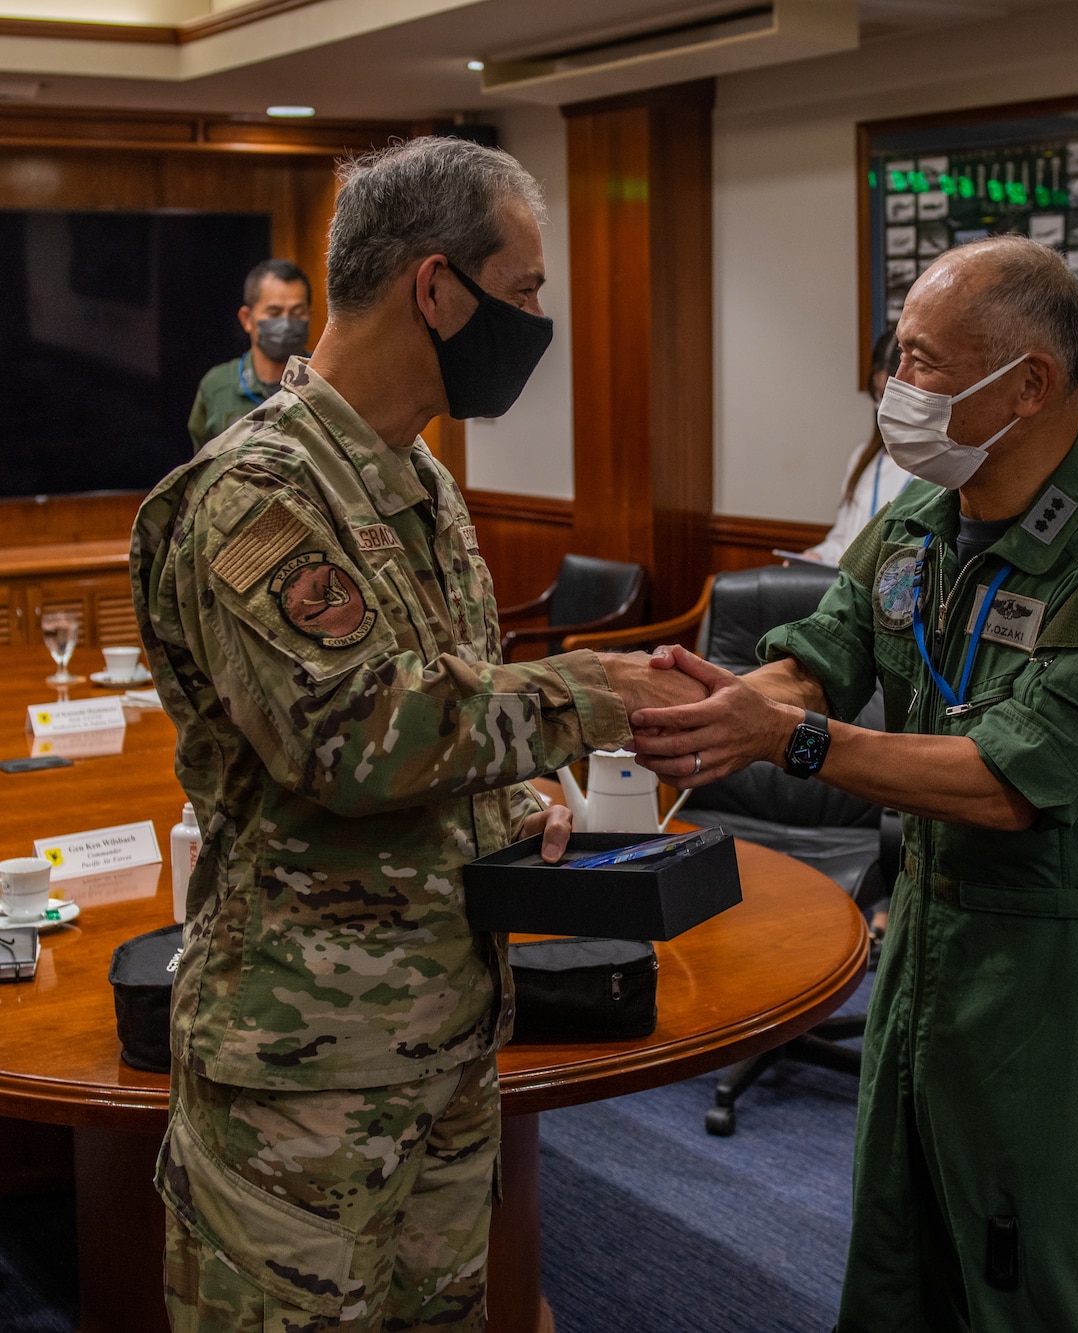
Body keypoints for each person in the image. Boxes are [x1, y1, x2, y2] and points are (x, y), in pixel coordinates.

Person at [131, 137, 702, 1330]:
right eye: (527, 288)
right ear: (436, 288)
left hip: (442, 1030)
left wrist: (515, 801)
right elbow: (351, 740)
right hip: (304, 1068)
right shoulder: (258, 491)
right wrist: (589, 694)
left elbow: (448, 704)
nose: (539, 318)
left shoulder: (417, 478)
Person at [627, 235, 1078, 1332]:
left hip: (1049, 977)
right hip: (917, 949)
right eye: (897, 357)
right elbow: (822, 654)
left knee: (1024, 1277)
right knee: (895, 1266)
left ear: (1027, 383)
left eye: (922, 360)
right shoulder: (915, 528)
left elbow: (1005, 782)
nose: (896, 389)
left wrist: (786, 742)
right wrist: (731, 703)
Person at [800, 327, 912, 565]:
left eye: (891, 396)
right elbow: (843, 541)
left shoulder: (933, 471)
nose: (883, 407)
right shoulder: (863, 458)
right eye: (878, 395)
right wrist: (817, 556)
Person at [186, 258, 314, 450]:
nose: (286, 323)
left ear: (309, 316)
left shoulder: (326, 380)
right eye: (274, 313)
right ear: (247, 319)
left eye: (296, 313)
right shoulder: (217, 387)